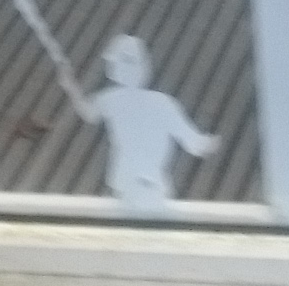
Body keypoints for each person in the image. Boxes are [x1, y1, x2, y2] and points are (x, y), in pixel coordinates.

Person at [81, 34, 216, 215]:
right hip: (144, 185)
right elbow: (194, 143)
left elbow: (87, 111)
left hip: (131, 185)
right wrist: (208, 143)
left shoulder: (111, 99)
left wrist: (68, 85)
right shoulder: (160, 102)